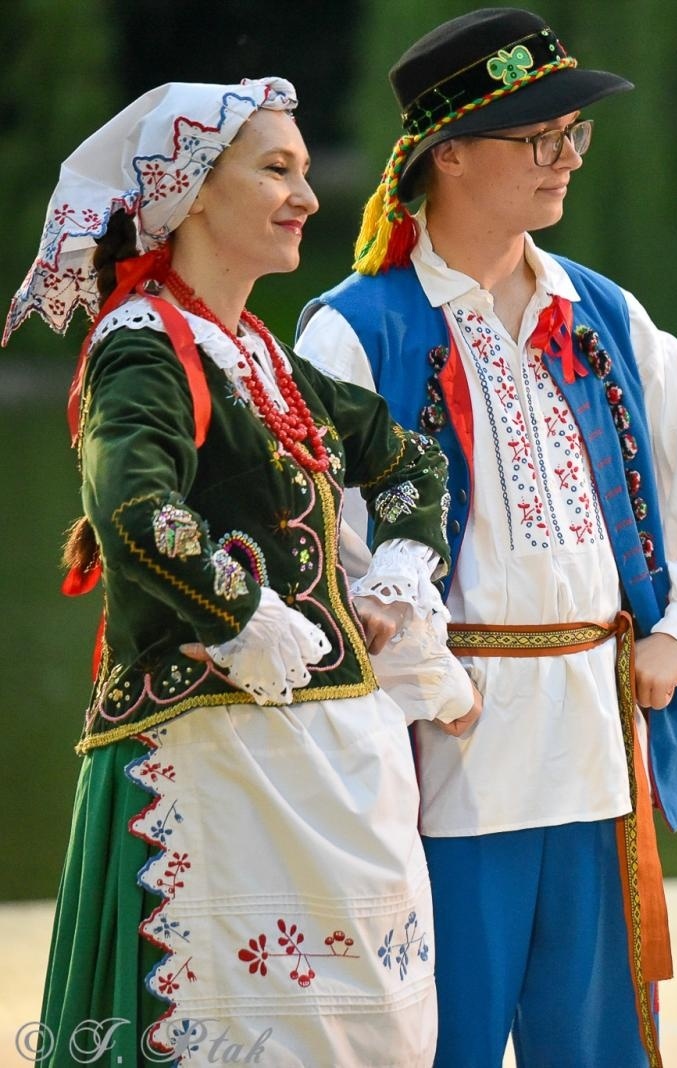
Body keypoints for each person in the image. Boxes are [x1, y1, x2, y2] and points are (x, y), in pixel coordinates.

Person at [295, 9, 677, 1066]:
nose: (565, 159)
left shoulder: (602, 316)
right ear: (447, 152)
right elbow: (331, 553)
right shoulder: (357, 329)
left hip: (599, 743)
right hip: (443, 761)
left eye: (573, 135)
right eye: (537, 136)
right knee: (440, 1040)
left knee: (598, 1044)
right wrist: (433, 686)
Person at [4, 79, 477, 1066]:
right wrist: (241, 613)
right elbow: (134, 511)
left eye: (305, 172)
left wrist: (395, 574)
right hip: (216, 757)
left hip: (327, 764)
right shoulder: (143, 351)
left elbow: (412, 461)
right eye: (275, 170)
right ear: (188, 194)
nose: (306, 195)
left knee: (361, 1026)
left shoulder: (262, 354)